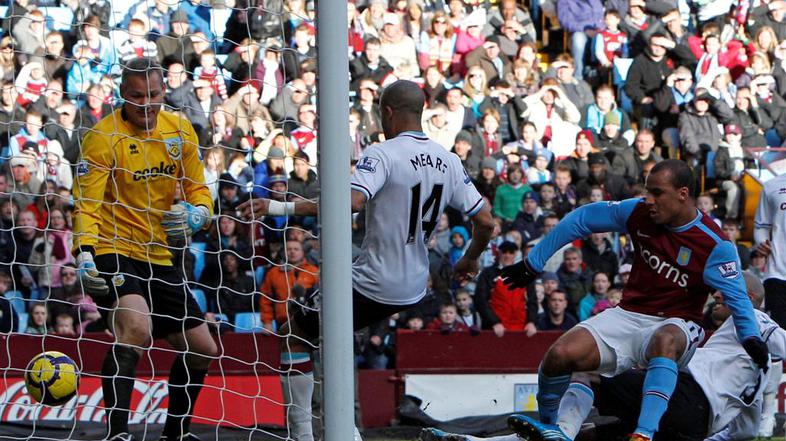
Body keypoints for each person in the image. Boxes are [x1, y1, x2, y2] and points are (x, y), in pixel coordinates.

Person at [238, 80, 495, 441]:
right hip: (413, 286)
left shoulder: (382, 153)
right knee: (331, 338)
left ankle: (303, 436)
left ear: (386, 112)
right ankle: (346, 430)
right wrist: (469, 259)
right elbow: (485, 221)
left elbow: (351, 202)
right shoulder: (449, 160)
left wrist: (281, 205)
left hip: (374, 281)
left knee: (294, 336)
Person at [498, 159, 766, 441]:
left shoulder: (715, 244)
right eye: (648, 191)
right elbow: (582, 219)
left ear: (683, 194)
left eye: (657, 192)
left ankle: (643, 435)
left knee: (665, 339)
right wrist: (532, 263)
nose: (649, 199)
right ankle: (551, 431)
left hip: (679, 322)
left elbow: (738, 296)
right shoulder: (639, 212)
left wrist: (751, 337)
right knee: (560, 356)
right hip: (628, 315)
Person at [422, 272, 781, 441]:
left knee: (586, 371)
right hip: (693, 425)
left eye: (723, 297)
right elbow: (747, 428)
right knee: (593, 436)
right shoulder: (753, 368)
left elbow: (779, 340)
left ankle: (558, 431)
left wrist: (766, 337)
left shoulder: (751, 320)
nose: (717, 300)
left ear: (745, 299)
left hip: (686, 396)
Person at [72, 58, 217, 441]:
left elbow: (198, 187)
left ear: (163, 91)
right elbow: (87, 204)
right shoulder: (103, 137)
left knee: (202, 348)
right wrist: (83, 253)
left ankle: (176, 434)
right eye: (137, 97)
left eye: (154, 95)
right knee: (136, 327)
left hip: (159, 253)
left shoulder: (180, 130)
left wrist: (200, 213)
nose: (147, 104)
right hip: (112, 246)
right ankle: (117, 434)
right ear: (123, 96)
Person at [753, 171, 786, 436]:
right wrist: (760, 243)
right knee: (774, 346)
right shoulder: (773, 186)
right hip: (779, 275)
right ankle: (768, 414)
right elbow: (761, 224)